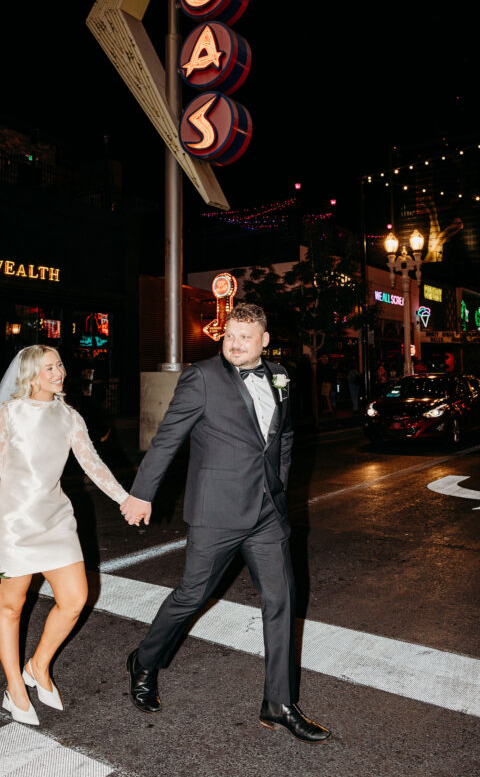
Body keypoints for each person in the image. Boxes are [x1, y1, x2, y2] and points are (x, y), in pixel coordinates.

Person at [120, 304, 330, 744]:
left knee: (282, 601)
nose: (235, 344)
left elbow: (284, 435)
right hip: (217, 512)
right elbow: (168, 438)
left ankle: (279, 703)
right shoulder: (201, 378)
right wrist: (141, 493)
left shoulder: (281, 375)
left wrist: (279, 484)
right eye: (230, 336)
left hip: (267, 513)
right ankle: (145, 661)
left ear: (265, 341)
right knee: (191, 595)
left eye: (245, 337)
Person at [0, 345, 128, 726]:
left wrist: (126, 499)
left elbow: (93, 464)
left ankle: (38, 665)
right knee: (10, 606)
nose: (58, 373)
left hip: (55, 520)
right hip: (12, 523)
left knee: (75, 599)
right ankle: (14, 687)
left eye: (59, 365)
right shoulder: (9, 414)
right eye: (49, 368)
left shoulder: (70, 416)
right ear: (30, 376)